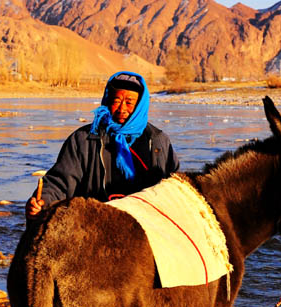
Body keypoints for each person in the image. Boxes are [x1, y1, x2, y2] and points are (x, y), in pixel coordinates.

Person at [27, 71, 178, 218]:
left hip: (146, 224)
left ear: (140, 106)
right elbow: (60, 182)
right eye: (116, 101)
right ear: (107, 101)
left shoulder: (157, 141)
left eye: (129, 103)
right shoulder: (84, 139)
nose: (122, 109)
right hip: (96, 224)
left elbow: (174, 187)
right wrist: (43, 201)